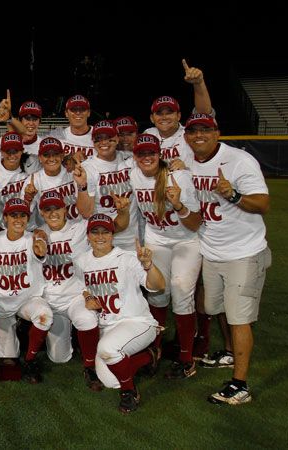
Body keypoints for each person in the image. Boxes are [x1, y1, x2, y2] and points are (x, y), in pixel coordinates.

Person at [185, 113, 271, 405]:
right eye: (194, 130)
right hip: (213, 249)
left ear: (217, 132)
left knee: (239, 317)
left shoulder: (239, 160)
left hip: (244, 252)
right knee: (214, 306)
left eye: (205, 130)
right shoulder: (189, 162)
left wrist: (232, 194)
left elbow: (262, 203)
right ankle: (230, 352)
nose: (199, 135)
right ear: (186, 136)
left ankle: (240, 384)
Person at [75, 214, 165, 414]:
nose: (100, 236)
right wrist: (86, 296)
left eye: (105, 231)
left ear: (112, 235)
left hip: (137, 322)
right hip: (109, 326)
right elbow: (82, 286)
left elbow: (158, 285)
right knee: (109, 381)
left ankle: (129, 392)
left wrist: (149, 265)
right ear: (88, 235)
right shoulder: (81, 261)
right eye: (95, 232)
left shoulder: (128, 258)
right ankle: (149, 356)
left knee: (108, 349)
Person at [130, 134, 202, 379]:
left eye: (151, 153)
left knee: (181, 291)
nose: (147, 157)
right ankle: (155, 350)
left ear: (160, 154)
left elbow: (195, 223)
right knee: (157, 294)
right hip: (157, 240)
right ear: (135, 156)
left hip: (185, 241)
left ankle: (185, 358)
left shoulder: (178, 176)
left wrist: (180, 205)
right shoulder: (132, 174)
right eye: (142, 154)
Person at [37, 191, 104, 390]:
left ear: (65, 209)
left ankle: (90, 366)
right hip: (51, 300)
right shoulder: (36, 233)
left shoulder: (80, 228)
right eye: (47, 210)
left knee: (87, 319)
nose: (53, 213)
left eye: (56, 208)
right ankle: (72, 339)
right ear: (41, 213)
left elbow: (105, 223)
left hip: (76, 296)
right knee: (59, 358)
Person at [0, 198, 50, 383]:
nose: (18, 219)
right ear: (4, 217)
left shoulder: (34, 238)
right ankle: (14, 351)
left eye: (22, 215)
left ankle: (30, 359)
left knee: (45, 316)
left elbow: (41, 253)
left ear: (28, 218)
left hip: (28, 298)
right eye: (13, 215)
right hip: (2, 301)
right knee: (9, 358)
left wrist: (41, 251)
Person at [75, 120, 139, 250]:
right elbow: (86, 212)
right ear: (93, 142)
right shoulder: (87, 168)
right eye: (99, 139)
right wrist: (82, 186)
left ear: (116, 139)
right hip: (102, 238)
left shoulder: (130, 160)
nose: (104, 142)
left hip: (131, 238)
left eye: (109, 138)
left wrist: (176, 165)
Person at [144, 60, 214, 168]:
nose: (164, 117)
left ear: (179, 116)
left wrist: (198, 84)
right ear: (152, 118)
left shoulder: (189, 134)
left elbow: (204, 115)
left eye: (170, 112)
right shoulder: (148, 135)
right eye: (159, 113)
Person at [0, 131, 38, 226]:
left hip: (31, 225)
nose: (12, 155)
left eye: (15, 151)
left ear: (21, 151)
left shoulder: (33, 163)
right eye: (8, 151)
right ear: (1, 152)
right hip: (4, 227)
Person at [50, 95, 95, 159]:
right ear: (66, 113)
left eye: (82, 109)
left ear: (88, 113)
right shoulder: (57, 137)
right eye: (73, 109)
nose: (78, 112)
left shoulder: (99, 134)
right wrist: (70, 157)